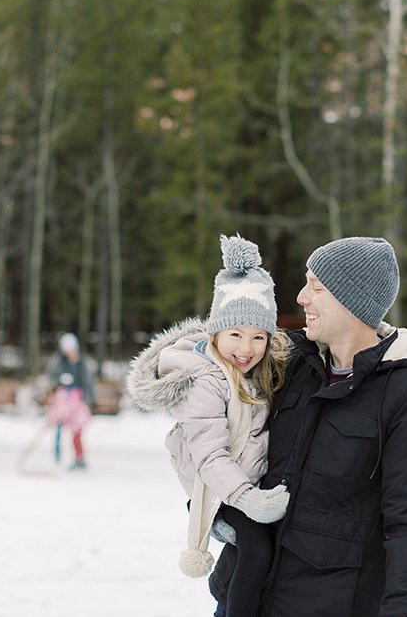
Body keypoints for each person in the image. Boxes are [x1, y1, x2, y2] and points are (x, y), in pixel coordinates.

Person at [209, 236, 407, 617]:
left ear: (352, 300)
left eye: (316, 287)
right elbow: (207, 359)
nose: (302, 297)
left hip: (327, 603)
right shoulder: (291, 363)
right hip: (243, 593)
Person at [125, 234, 290, 617]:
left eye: (258, 336)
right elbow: (209, 455)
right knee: (255, 548)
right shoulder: (205, 380)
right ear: (215, 334)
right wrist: (248, 498)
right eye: (235, 335)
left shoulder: (257, 371)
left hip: (242, 480)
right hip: (216, 488)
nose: (246, 348)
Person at [45, 332, 95, 469]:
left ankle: (79, 457)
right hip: (62, 400)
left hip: (76, 401)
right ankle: (57, 454)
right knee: (58, 427)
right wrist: (56, 387)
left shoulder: (82, 363)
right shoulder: (59, 362)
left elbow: (87, 382)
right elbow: (51, 380)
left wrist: (88, 399)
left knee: (77, 429)